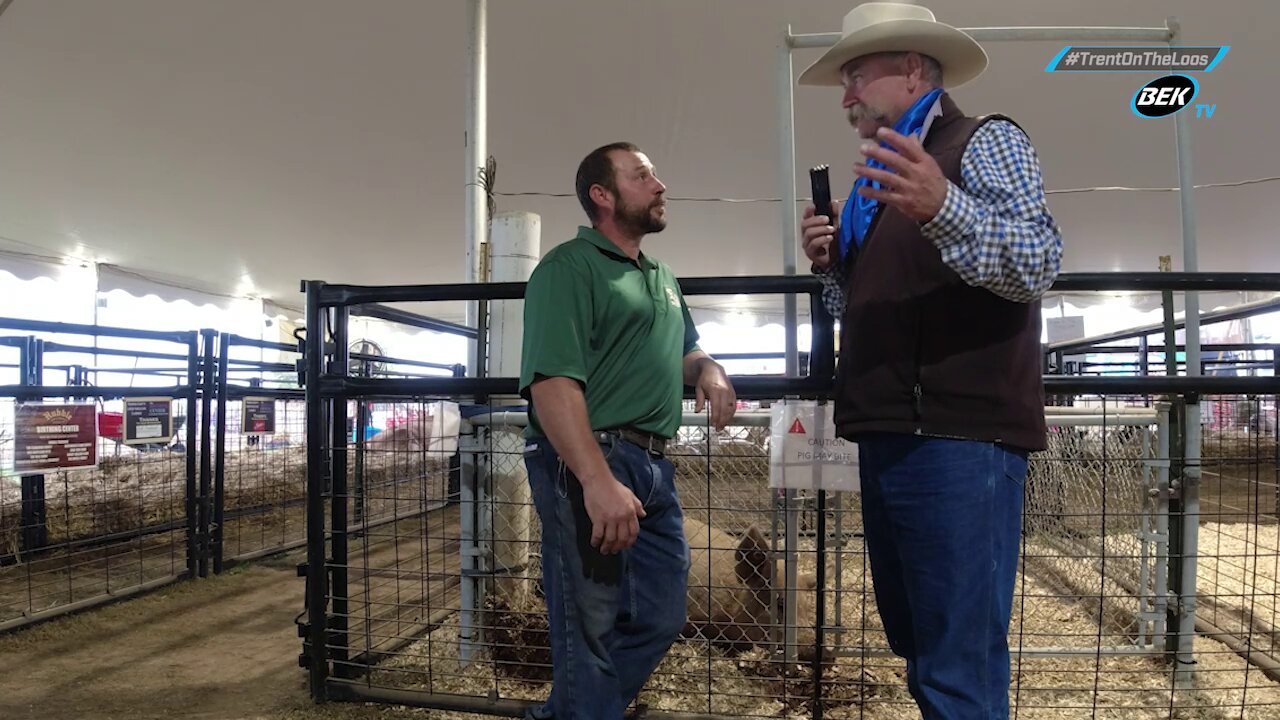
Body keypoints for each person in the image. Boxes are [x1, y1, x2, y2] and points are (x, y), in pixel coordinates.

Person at [796, 3, 1063, 719]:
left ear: (913, 69)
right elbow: (874, 302)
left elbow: (1036, 261)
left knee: (955, 664)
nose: (847, 95)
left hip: (957, 434)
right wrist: (832, 267)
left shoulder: (984, 141)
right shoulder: (875, 188)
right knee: (925, 649)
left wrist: (944, 204)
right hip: (895, 431)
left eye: (856, 75)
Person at [518, 141, 738, 719]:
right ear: (603, 195)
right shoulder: (568, 267)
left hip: (652, 464)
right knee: (588, 623)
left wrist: (709, 369)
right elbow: (551, 383)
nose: (660, 185)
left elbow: (686, 349)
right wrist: (594, 479)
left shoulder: (661, 275)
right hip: (592, 459)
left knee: (661, 615)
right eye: (642, 176)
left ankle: (566, 714)